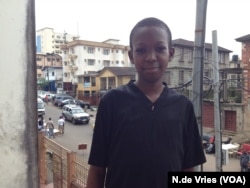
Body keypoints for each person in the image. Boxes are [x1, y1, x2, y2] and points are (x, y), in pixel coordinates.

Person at [86, 17, 206, 188]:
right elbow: (97, 169)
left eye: (160, 48)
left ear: (170, 53)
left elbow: (188, 169)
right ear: (131, 55)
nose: (151, 57)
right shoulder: (111, 102)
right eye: (141, 50)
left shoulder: (183, 106)